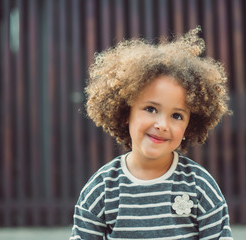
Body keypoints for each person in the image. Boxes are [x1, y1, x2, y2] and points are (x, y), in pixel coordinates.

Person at [70, 27, 233, 240]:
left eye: (177, 115)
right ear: (126, 111)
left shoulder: (199, 186)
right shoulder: (102, 189)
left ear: (189, 125)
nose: (162, 124)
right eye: (150, 109)